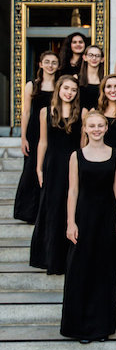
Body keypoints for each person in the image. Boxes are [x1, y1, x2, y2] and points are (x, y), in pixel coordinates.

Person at [60, 111, 116, 343]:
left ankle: (101, 328)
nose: (97, 129)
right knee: (82, 270)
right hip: (84, 217)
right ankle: (81, 328)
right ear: (85, 129)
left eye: (101, 125)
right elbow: (73, 191)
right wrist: (70, 222)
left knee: (105, 271)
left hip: (108, 216)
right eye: (92, 126)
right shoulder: (76, 156)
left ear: (106, 128)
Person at [30, 75, 82, 275]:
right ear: (58, 89)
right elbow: (43, 142)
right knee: (52, 208)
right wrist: (39, 167)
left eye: (73, 90)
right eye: (66, 88)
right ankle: (51, 258)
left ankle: (68, 257)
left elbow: (82, 144)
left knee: (70, 208)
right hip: (53, 164)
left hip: (73, 164)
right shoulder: (46, 112)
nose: (69, 92)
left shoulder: (82, 112)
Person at [15, 51, 58, 224]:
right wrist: (23, 136)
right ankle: (28, 212)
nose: (50, 65)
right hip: (34, 131)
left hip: (52, 129)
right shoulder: (32, 85)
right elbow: (26, 112)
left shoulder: (60, 85)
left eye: (54, 62)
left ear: (58, 66)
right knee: (31, 169)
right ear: (40, 64)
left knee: (47, 168)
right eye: (47, 62)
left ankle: (45, 211)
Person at [77, 45, 105, 110]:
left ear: (102, 59)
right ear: (84, 57)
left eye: (97, 56)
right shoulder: (77, 78)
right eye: (90, 55)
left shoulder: (105, 80)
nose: (94, 58)